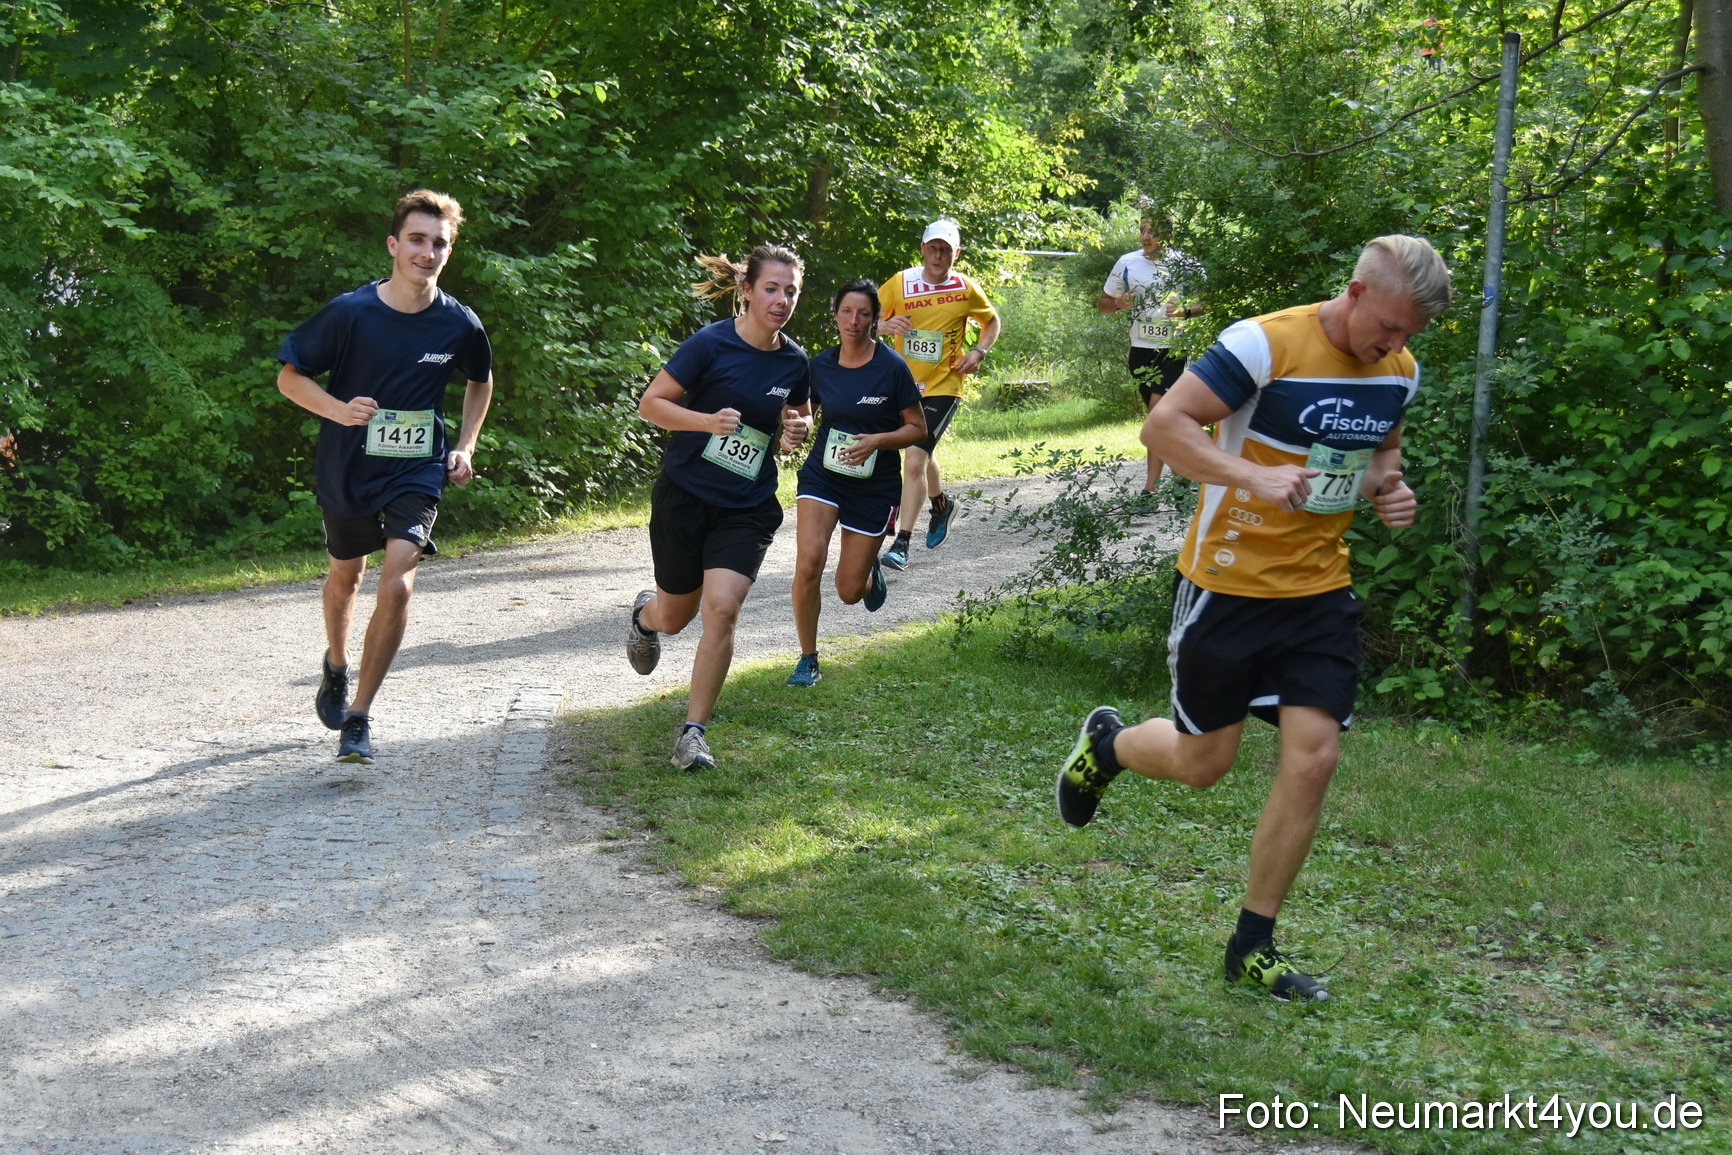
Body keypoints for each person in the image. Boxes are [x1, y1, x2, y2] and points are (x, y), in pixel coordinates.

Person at [1054, 235, 1452, 1002]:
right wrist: (1250, 476)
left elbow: (1381, 459)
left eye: (1411, 336)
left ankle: (1252, 944)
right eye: (1390, 327)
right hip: (1227, 585)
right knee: (1205, 764)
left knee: (1315, 755)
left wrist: (1388, 491)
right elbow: (1163, 427)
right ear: (1357, 291)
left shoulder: (1399, 372)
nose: (1396, 345)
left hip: (1319, 592)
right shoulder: (1263, 344)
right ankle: (1108, 746)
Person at [277, 189, 494, 764]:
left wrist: (467, 446)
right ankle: (336, 664)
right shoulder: (351, 313)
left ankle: (359, 716)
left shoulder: (458, 323)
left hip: (418, 468)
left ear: (450, 252)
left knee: (398, 576)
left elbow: (481, 381)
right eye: (417, 240)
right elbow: (290, 377)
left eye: (439, 243)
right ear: (394, 245)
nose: (427, 252)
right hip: (349, 464)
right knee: (345, 577)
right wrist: (338, 410)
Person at [625, 245, 812, 769]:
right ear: (747, 290)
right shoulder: (710, 344)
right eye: (771, 289)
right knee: (676, 615)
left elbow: (797, 417)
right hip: (685, 497)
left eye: (791, 291)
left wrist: (798, 429)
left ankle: (693, 733)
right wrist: (705, 421)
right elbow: (651, 404)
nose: (781, 300)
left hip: (747, 505)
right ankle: (645, 617)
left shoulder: (795, 361)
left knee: (723, 609)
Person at [786, 279, 927, 686]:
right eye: (847, 311)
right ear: (835, 316)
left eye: (864, 313)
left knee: (849, 591)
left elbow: (917, 428)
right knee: (808, 563)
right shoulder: (821, 364)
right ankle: (808, 658)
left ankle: (868, 574)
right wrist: (798, 425)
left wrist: (878, 441)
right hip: (823, 476)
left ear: (876, 319)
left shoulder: (891, 368)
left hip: (873, 484)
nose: (854, 320)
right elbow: (806, 410)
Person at [877, 218, 1000, 569]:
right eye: (933, 247)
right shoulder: (901, 283)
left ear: (956, 253)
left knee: (914, 457)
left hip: (944, 385)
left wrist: (979, 351)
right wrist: (883, 326)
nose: (938, 255)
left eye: (946, 249)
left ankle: (902, 543)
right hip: (903, 386)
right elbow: (863, 316)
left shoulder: (965, 288)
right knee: (922, 453)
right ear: (922, 249)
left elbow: (992, 321)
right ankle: (941, 505)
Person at [1098, 215, 1204, 494]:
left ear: (1169, 234)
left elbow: (1209, 302)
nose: (1145, 237)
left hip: (1175, 351)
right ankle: (1183, 476)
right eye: (1142, 230)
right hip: (1140, 351)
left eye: (1152, 231)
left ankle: (1150, 489)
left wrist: (1187, 311)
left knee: (1158, 417)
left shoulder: (1187, 264)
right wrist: (1119, 303)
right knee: (1164, 420)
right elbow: (1103, 304)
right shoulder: (1127, 263)